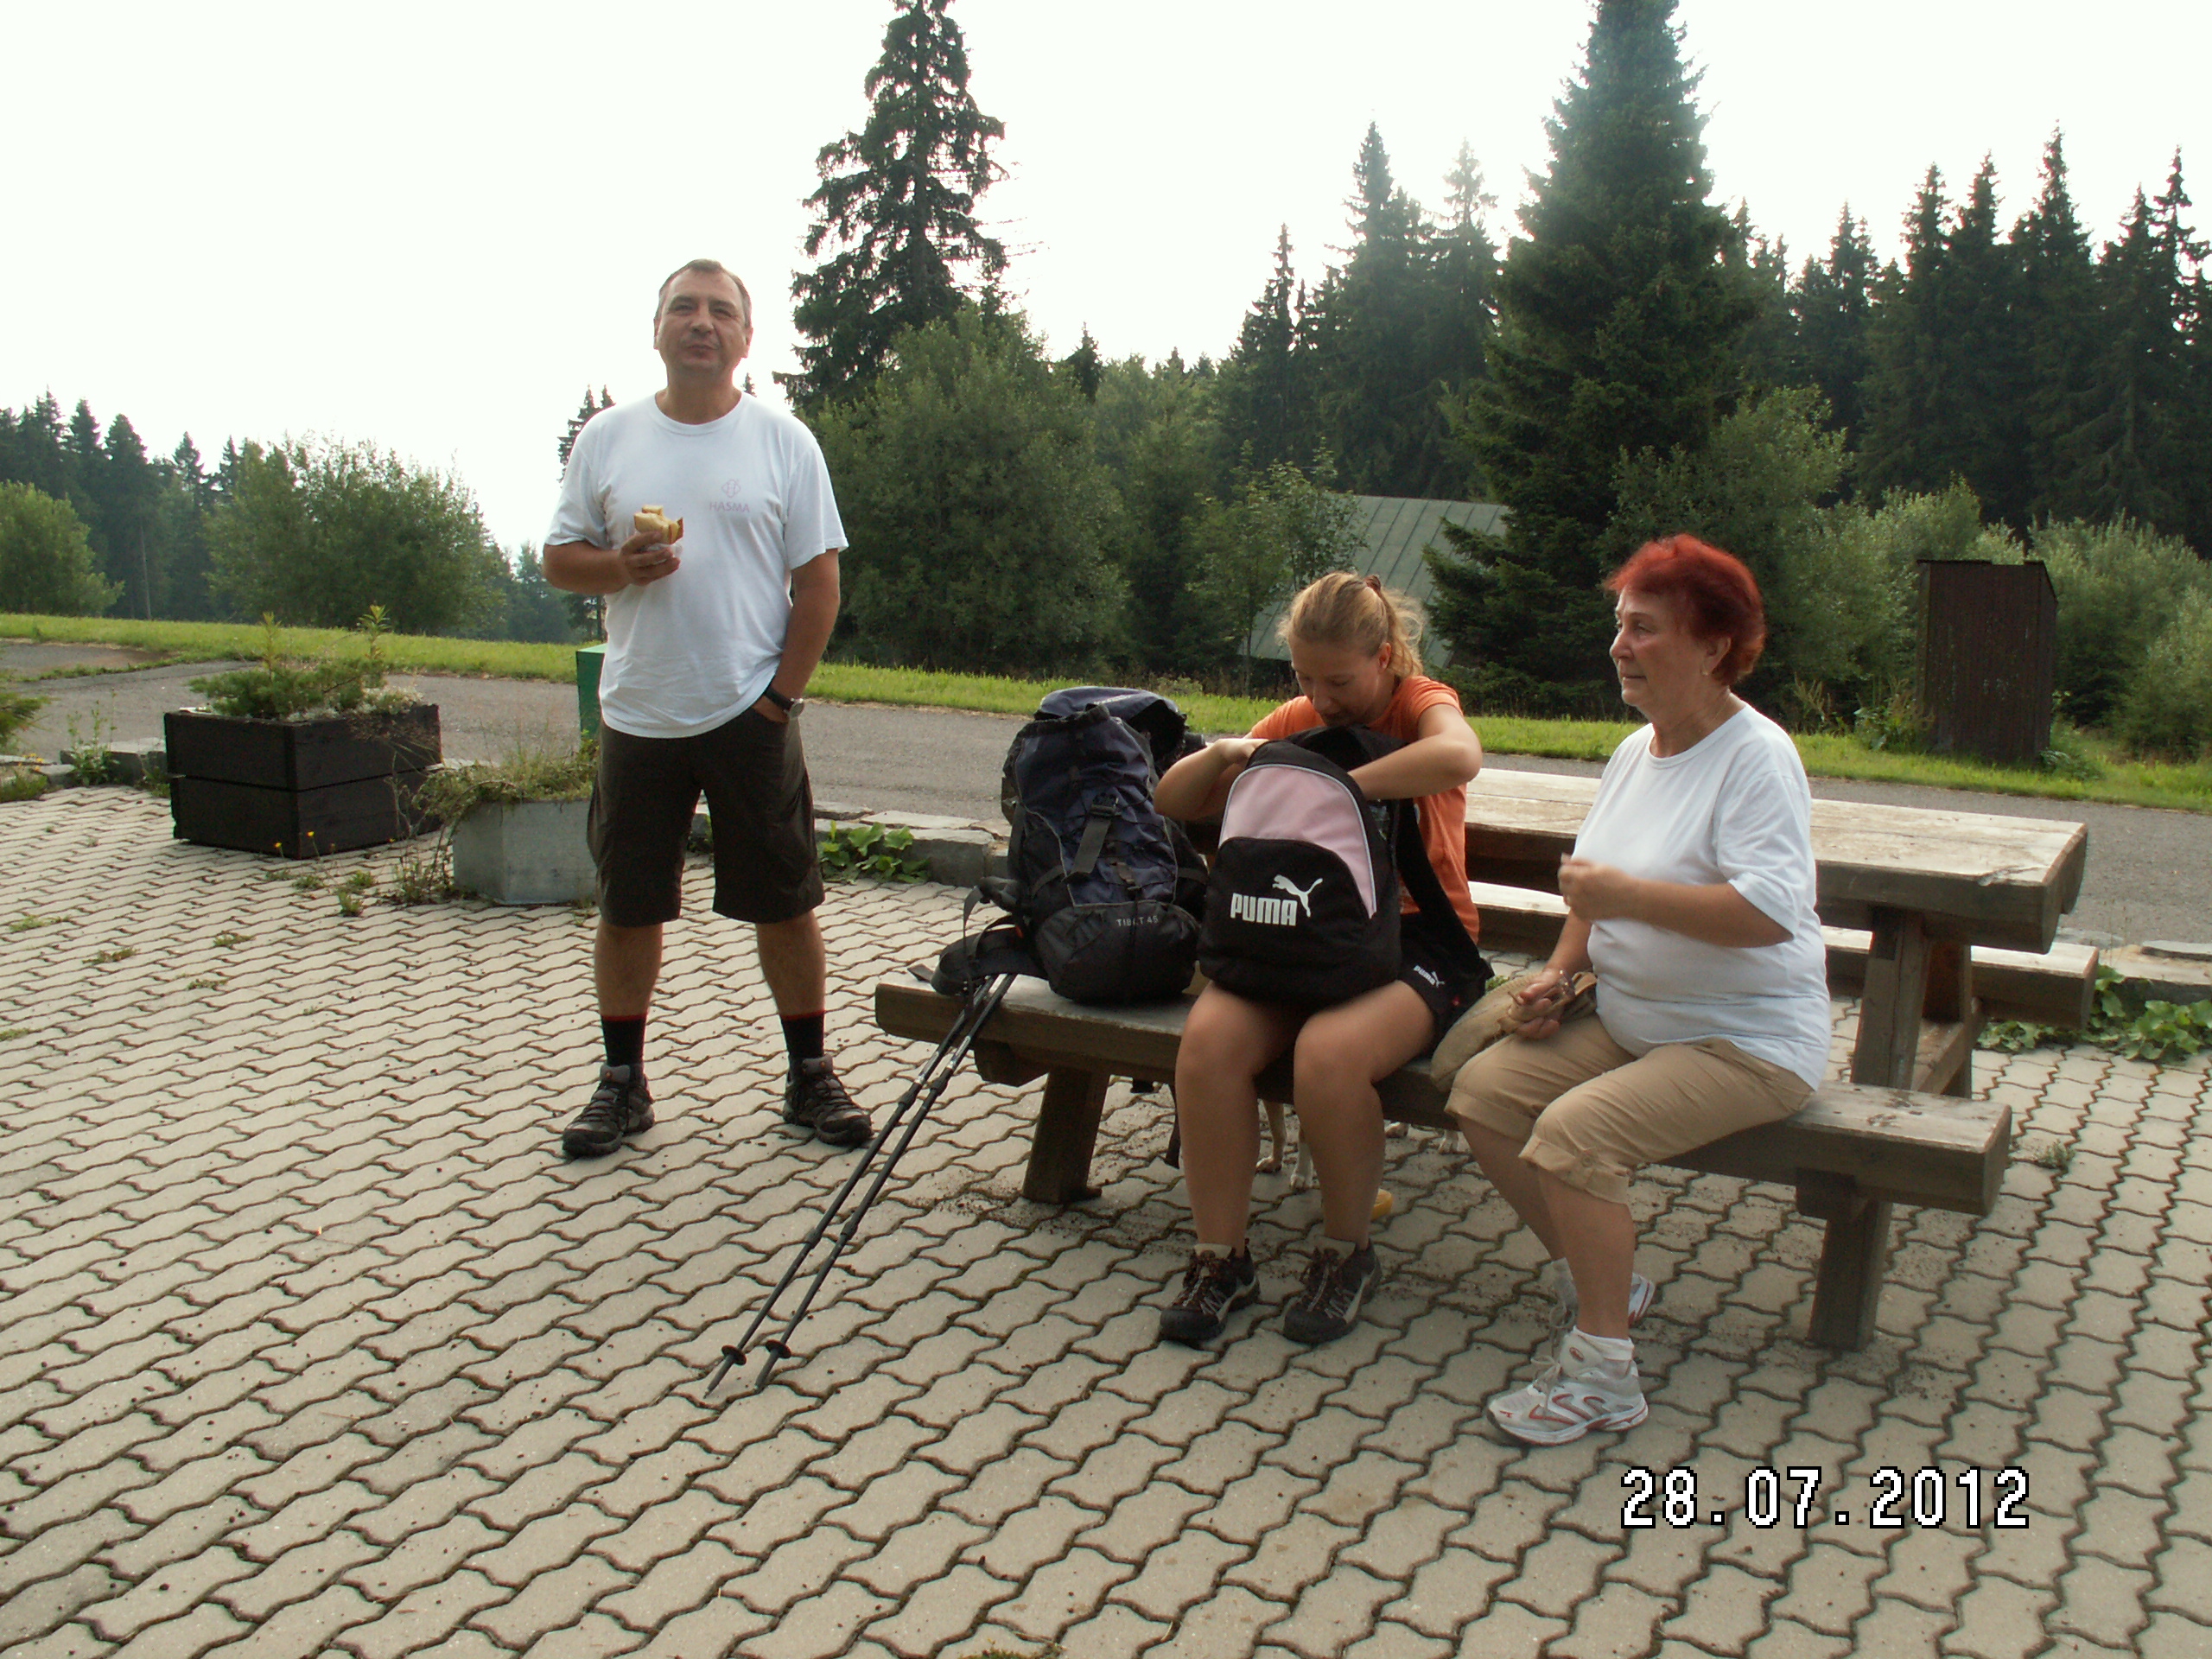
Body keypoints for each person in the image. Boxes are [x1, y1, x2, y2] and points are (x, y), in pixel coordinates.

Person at [1446, 535, 1830, 1444]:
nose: (1620, 646)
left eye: (1645, 629)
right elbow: (1592, 890)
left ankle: (1604, 1375)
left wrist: (1624, 899)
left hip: (1745, 1041)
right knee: (1484, 1095)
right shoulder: (1634, 752)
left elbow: (1768, 914)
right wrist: (1558, 973)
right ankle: (1607, 1285)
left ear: (1714, 647)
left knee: (1573, 1137)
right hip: (1630, 1017)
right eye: (1620, 625)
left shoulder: (1756, 758)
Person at [542, 258, 869, 1160]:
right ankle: (622, 1084)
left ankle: (809, 1076)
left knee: (786, 902)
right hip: (639, 712)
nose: (701, 323)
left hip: (748, 713)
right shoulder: (609, 437)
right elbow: (560, 560)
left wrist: (779, 700)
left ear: (744, 338)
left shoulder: (783, 442)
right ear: (656, 330)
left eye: (721, 311)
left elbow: (820, 586)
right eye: (683, 308)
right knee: (627, 906)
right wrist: (618, 567)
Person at [1153, 573, 1487, 1345]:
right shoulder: (1300, 717)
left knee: (1328, 1057)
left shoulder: (1419, 702)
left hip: (1418, 942)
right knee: (1207, 1047)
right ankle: (1221, 1259)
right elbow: (1173, 800)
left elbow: (1459, 755)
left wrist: (1337, 789)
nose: (1320, 698)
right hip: (1306, 937)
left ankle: (1346, 1254)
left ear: (1383, 656)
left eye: (1338, 680)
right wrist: (1228, 753)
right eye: (1304, 678)